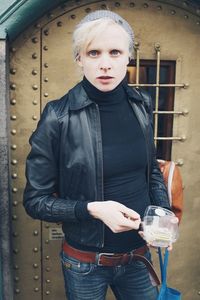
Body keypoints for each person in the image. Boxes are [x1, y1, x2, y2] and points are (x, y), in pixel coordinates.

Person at [23, 10, 170, 300]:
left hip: (139, 259)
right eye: (93, 53)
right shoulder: (58, 116)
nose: (105, 64)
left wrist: (161, 219)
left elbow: (150, 170)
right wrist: (93, 209)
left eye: (115, 52)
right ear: (79, 59)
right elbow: (35, 202)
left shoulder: (141, 104)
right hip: (86, 264)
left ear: (127, 56)